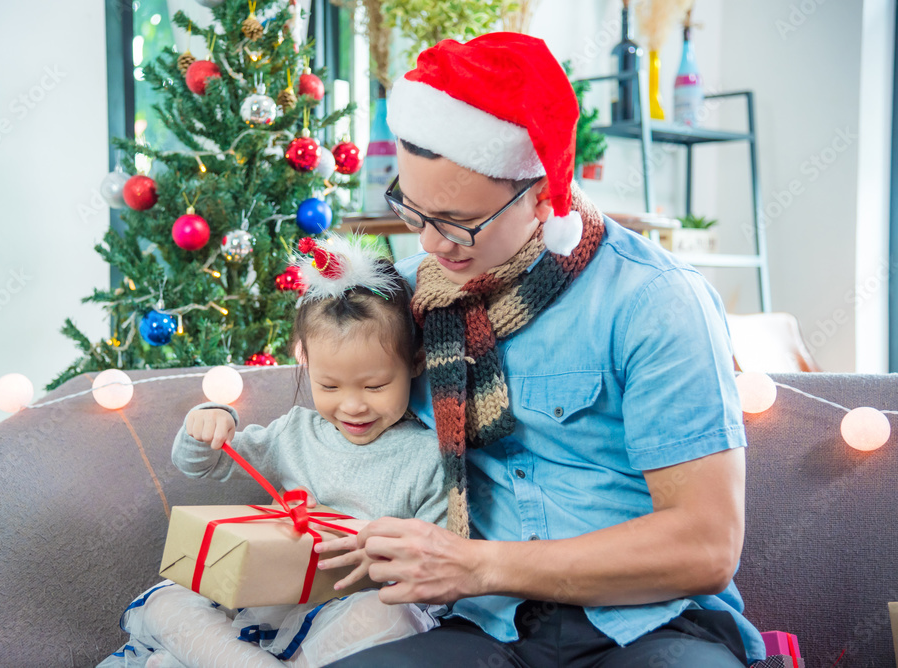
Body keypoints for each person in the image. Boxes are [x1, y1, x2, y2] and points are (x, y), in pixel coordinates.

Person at [314, 33, 765, 668]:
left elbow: (706, 547)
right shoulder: (412, 297)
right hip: (483, 630)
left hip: (649, 626)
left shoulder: (656, 301)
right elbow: (329, 400)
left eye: (460, 221)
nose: (435, 245)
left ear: (540, 195)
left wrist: (476, 564)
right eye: (414, 212)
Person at [100, 236, 453, 668]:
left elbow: (438, 566)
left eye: (375, 386)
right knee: (167, 603)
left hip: (347, 617)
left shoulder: (428, 457)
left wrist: (385, 559)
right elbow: (201, 464)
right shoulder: (296, 433)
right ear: (307, 365)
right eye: (329, 386)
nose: (353, 405)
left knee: (388, 618)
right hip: (266, 600)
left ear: (415, 363)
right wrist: (208, 421)